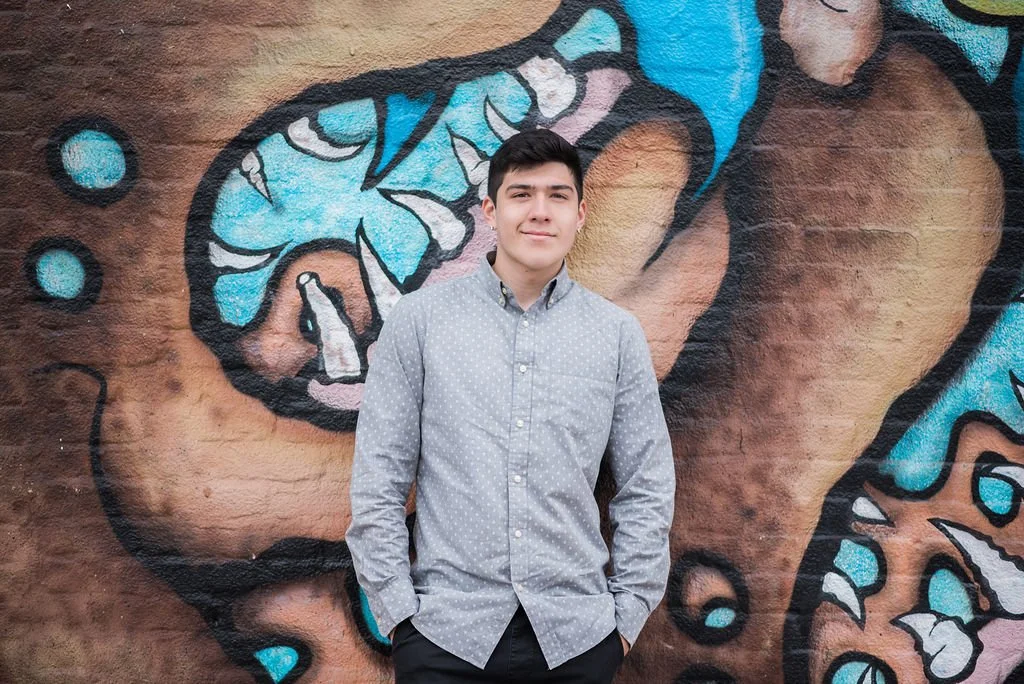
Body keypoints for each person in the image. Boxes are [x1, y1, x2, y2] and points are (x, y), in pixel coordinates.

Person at [346, 128, 674, 683]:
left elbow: (647, 484)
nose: (539, 212)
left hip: (578, 642)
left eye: (557, 195)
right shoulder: (421, 324)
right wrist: (400, 614)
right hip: (444, 639)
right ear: (490, 211)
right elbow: (379, 478)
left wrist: (625, 619)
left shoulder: (616, 336)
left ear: (581, 214)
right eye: (521, 195)